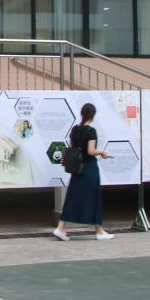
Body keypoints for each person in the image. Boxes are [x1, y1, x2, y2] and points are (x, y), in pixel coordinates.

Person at [53, 103, 114, 241]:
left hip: (77, 169)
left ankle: (60, 228)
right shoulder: (91, 131)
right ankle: (99, 232)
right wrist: (102, 153)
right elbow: (90, 151)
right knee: (94, 198)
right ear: (93, 115)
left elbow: (73, 148)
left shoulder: (75, 130)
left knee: (72, 198)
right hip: (89, 169)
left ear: (82, 114)